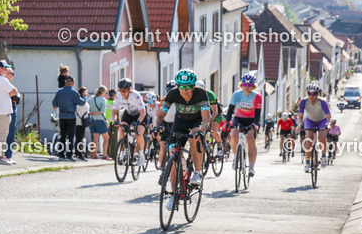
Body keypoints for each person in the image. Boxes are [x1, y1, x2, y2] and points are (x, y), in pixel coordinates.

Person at [153, 69, 212, 208]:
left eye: (187, 87)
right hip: (180, 121)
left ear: (193, 86)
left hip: (197, 122)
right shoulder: (173, 93)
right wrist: (155, 127)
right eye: (181, 86)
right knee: (173, 155)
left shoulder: (200, 93)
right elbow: (159, 114)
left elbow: (206, 119)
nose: (184, 90)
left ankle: (197, 172)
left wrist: (202, 131)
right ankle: (174, 195)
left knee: (194, 136)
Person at [225, 74, 262, 177]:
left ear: (253, 86)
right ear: (242, 84)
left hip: (251, 120)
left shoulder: (257, 96)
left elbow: (258, 114)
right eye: (245, 84)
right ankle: (236, 157)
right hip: (239, 118)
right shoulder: (236, 94)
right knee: (234, 135)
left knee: (250, 139)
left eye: (250, 85)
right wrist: (228, 122)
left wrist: (255, 124)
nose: (247, 87)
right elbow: (230, 110)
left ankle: (251, 167)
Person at [110, 78, 147, 166]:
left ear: (129, 89)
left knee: (138, 135)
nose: (122, 92)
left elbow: (143, 112)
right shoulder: (118, 95)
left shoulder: (136, 95)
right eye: (120, 90)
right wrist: (114, 120)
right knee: (122, 130)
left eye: (124, 91)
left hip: (139, 115)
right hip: (128, 114)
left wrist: (138, 122)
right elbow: (114, 111)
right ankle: (122, 154)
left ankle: (141, 155)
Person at [0, 60, 19, 164]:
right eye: (5, 68)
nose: (7, 71)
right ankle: (0, 156)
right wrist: (9, 94)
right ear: (0, 69)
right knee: (3, 135)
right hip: (4, 110)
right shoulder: (2, 80)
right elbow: (15, 91)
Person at [298, 82, 331, 172]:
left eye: (314, 94)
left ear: (317, 94)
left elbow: (328, 116)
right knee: (308, 139)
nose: (311, 96)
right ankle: (307, 163)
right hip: (310, 120)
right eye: (309, 93)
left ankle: (323, 156)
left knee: (321, 137)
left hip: (321, 120)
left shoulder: (322, 102)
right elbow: (300, 116)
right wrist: (300, 124)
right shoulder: (304, 102)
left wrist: (327, 124)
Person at [51, 75, 85, 160]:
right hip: (71, 116)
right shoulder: (74, 93)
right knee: (70, 136)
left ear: (65, 82)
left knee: (62, 135)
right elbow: (81, 103)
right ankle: (69, 155)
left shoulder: (59, 92)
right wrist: (84, 98)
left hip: (62, 116)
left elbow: (54, 104)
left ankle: (61, 153)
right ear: (73, 83)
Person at [87, 86, 109, 159]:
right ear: (102, 92)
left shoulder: (91, 98)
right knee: (106, 138)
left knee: (95, 138)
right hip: (100, 120)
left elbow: (86, 107)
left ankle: (95, 154)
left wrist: (91, 113)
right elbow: (102, 111)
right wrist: (95, 113)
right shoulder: (103, 100)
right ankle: (105, 155)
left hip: (92, 120)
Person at [5, 66, 20, 163]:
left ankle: (8, 155)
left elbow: (17, 98)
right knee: (8, 134)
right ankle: (6, 155)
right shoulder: (6, 85)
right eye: (12, 74)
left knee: (10, 134)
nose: (13, 76)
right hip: (8, 111)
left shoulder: (9, 85)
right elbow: (16, 97)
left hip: (11, 110)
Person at [74, 86, 90, 161]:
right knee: (79, 138)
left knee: (80, 138)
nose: (86, 93)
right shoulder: (80, 100)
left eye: (86, 92)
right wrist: (78, 114)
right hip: (79, 121)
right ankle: (79, 153)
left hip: (83, 121)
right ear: (81, 93)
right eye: (84, 92)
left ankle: (78, 152)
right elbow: (75, 108)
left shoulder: (84, 100)